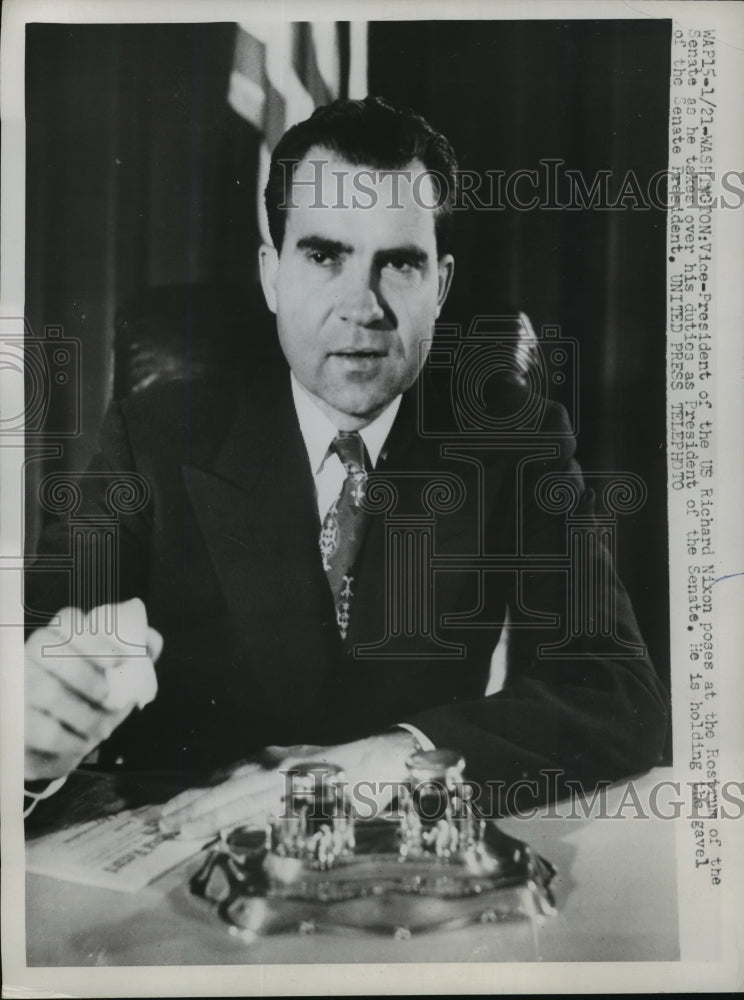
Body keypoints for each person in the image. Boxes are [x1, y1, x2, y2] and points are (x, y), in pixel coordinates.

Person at [24, 97, 668, 835]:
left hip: (407, 864)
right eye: (324, 255)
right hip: (183, 850)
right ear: (272, 275)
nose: (362, 307)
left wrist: (391, 766)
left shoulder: (513, 443)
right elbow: (37, 639)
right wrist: (31, 731)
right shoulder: (154, 432)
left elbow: (617, 692)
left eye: (399, 264)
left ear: (441, 284)